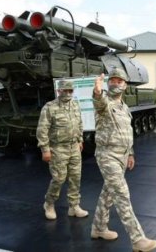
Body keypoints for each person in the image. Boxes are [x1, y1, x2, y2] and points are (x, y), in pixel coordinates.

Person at [90, 68, 156, 252]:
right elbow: (99, 101)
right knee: (122, 195)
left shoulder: (124, 107)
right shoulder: (106, 103)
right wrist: (97, 92)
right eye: (112, 80)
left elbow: (127, 133)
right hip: (107, 156)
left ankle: (98, 228)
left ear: (125, 85)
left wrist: (130, 153)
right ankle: (138, 240)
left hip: (122, 156)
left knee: (108, 194)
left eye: (119, 81)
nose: (115, 83)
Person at [36, 79, 88, 220]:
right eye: (64, 90)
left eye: (70, 90)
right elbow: (42, 129)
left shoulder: (75, 105)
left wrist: (80, 140)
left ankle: (74, 206)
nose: (67, 93)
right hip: (57, 148)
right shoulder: (49, 107)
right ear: (58, 91)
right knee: (59, 179)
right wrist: (45, 149)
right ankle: (49, 203)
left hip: (74, 148)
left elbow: (79, 123)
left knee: (75, 178)